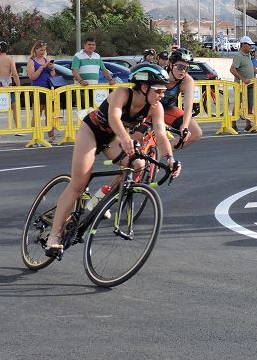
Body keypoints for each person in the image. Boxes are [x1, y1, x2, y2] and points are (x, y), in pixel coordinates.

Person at [44, 63, 180, 257]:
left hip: (111, 139)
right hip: (92, 131)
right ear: (144, 86)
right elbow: (114, 117)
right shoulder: (123, 93)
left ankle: (100, 199)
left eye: (164, 91)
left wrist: (171, 159)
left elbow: (160, 132)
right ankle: (54, 237)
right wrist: (126, 139)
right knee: (79, 184)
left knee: (138, 165)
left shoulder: (155, 108)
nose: (162, 95)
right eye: (158, 90)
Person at [160, 48, 203, 149]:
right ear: (171, 65)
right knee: (138, 136)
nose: (183, 71)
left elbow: (188, 107)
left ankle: (158, 154)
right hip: (150, 108)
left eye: (186, 68)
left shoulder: (187, 81)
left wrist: (185, 126)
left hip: (168, 109)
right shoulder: (160, 73)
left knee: (196, 133)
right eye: (180, 67)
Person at [25, 41, 57, 143]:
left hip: (48, 90)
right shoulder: (31, 61)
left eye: (44, 50)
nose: (43, 52)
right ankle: (35, 136)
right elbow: (32, 77)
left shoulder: (46, 60)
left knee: (49, 114)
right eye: (41, 50)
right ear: (35, 50)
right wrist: (42, 67)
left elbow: (53, 76)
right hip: (37, 90)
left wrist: (52, 69)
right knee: (37, 114)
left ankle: (51, 136)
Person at [229, 36, 257, 132]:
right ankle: (233, 124)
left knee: (249, 104)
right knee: (238, 104)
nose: (250, 47)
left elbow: (251, 68)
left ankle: (248, 125)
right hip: (240, 86)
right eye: (249, 45)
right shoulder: (238, 56)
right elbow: (232, 69)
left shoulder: (248, 55)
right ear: (243, 45)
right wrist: (243, 79)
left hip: (249, 85)